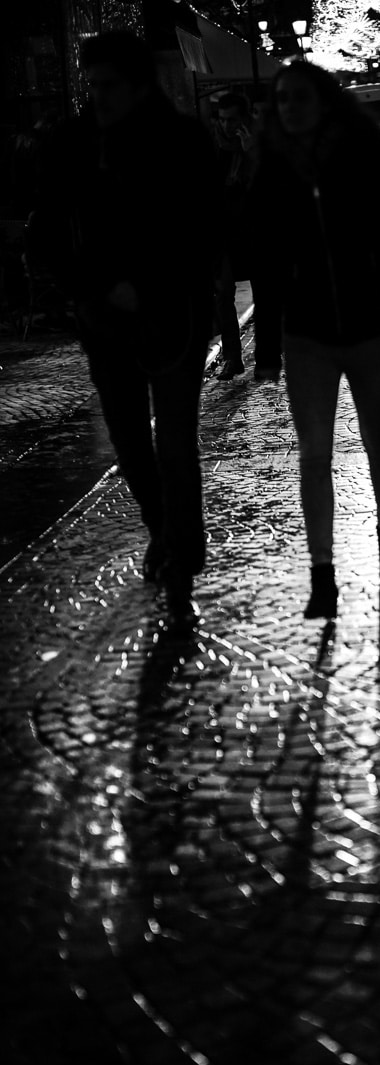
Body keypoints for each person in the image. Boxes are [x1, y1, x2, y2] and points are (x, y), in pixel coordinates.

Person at [28, 32, 219, 622]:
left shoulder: (184, 140)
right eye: (91, 84)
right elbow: (49, 232)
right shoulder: (75, 143)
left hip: (174, 317)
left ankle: (184, 555)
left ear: (137, 85)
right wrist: (93, 289)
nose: (97, 95)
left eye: (107, 84)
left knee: (176, 443)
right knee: (132, 445)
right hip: (105, 319)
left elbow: (204, 229)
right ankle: (163, 528)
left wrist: (156, 286)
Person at [248, 61, 380, 621]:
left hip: (370, 325)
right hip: (306, 333)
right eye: (282, 99)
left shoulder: (361, 158)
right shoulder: (273, 169)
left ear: (324, 101)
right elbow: (266, 264)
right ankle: (322, 572)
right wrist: (266, 347)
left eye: (301, 97)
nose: (291, 107)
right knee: (314, 455)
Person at [212, 91, 256, 380]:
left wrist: (250, 151)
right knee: (223, 294)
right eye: (223, 119)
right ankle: (232, 357)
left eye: (233, 119)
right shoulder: (213, 148)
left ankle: (271, 349)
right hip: (222, 234)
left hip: (254, 232)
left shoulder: (256, 145)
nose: (227, 125)